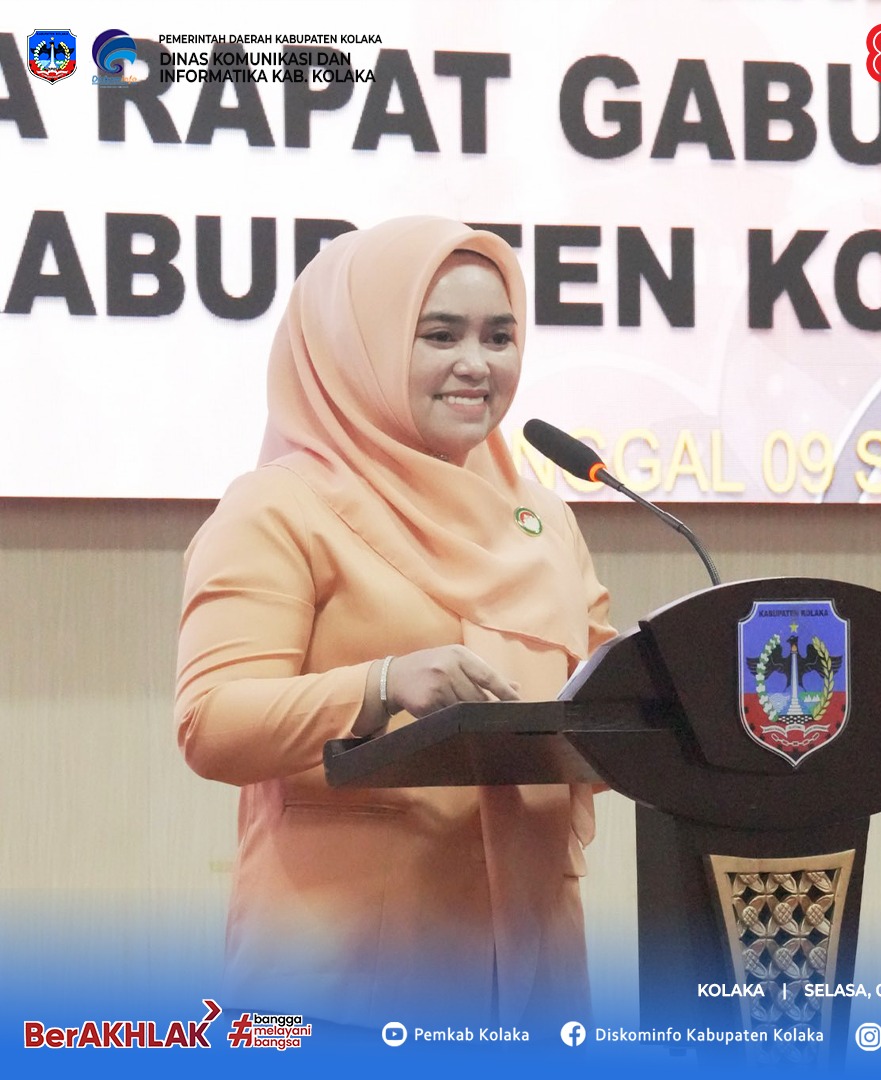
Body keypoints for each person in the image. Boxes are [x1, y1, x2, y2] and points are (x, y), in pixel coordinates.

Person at [174, 216, 615, 1030]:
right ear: (360, 346)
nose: (477, 364)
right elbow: (211, 723)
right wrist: (382, 685)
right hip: (342, 990)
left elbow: (598, 704)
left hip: (532, 991)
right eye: (440, 335)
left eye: (500, 336)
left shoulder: (542, 520)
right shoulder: (280, 509)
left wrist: (676, 693)